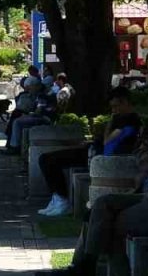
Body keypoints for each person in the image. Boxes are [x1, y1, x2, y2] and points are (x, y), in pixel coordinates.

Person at [34, 119, 148, 276]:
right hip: (146, 194)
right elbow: (142, 151)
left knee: (107, 223)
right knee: (101, 205)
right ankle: (86, 269)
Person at [36, 86, 142, 216]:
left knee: (47, 160)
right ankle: (58, 197)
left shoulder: (128, 120)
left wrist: (110, 123)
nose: (114, 111)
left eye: (115, 106)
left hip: (99, 157)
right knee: (48, 159)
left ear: (125, 102)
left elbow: (107, 141)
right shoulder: (128, 119)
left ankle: (61, 200)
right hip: (95, 152)